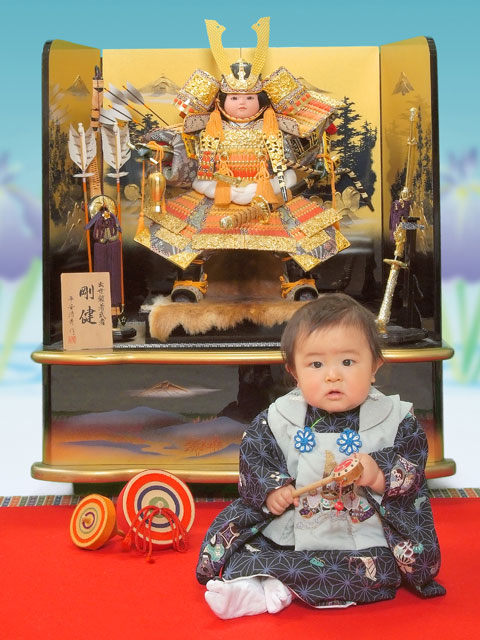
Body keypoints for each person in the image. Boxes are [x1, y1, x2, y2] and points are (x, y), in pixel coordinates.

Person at [195, 293, 445, 618]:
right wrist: (272, 490)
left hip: (361, 530)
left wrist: (376, 472)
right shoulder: (279, 418)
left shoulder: (394, 419)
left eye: (348, 362)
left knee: (375, 570)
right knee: (248, 550)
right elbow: (256, 457)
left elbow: (411, 466)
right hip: (293, 524)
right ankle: (253, 584)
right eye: (316, 364)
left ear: (374, 366)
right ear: (293, 371)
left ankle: (277, 587)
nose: (332, 375)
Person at [134, 17, 350, 302]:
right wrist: (170, 157)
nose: (242, 103)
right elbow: (194, 164)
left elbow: (291, 163)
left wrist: (277, 184)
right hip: (216, 194)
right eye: (234, 98)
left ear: (261, 100)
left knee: (294, 236)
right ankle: (189, 283)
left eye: (249, 97)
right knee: (190, 235)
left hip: (267, 194)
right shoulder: (205, 128)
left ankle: (297, 282)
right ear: (221, 100)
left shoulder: (278, 127)